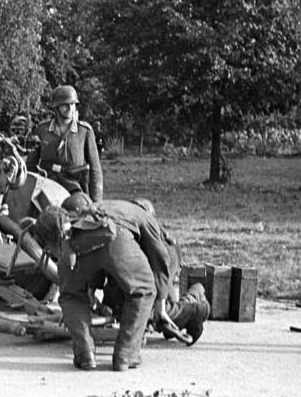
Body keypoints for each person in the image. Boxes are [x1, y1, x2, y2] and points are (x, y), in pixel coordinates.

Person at [61, 192, 210, 346]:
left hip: (163, 261)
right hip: (140, 264)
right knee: (123, 306)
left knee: (151, 313)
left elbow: (158, 264)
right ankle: (180, 311)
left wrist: (160, 304)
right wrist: (90, 295)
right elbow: (99, 263)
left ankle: (197, 307)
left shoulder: (153, 237)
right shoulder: (96, 222)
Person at [33, 205, 156, 371]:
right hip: (115, 240)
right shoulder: (141, 216)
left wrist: (91, 287)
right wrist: (161, 300)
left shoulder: (72, 226)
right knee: (143, 291)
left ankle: (85, 354)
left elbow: (93, 262)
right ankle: (126, 355)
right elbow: (160, 255)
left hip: (71, 247)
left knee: (71, 297)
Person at [26, 85, 103, 202]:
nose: (70, 108)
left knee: (77, 207)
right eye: (65, 105)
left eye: (72, 104)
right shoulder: (42, 130)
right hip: (47, 184)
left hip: (75, 187)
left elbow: (95, 170)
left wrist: (96, 201)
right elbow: (31, 165)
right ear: (56, 107)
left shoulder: (84, 131)